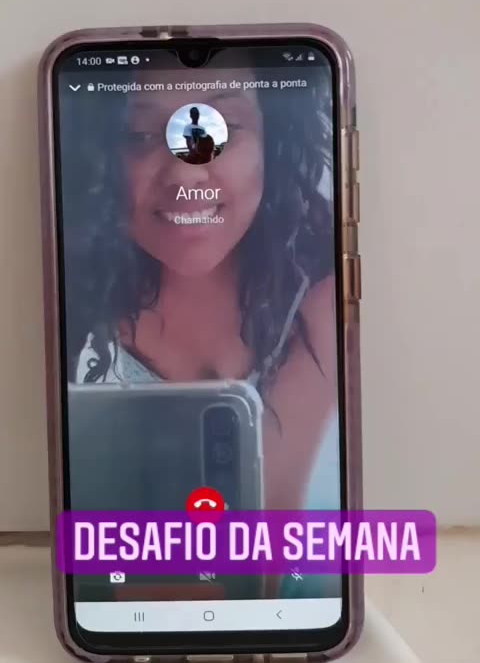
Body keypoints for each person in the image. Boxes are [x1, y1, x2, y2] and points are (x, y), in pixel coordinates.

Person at [63, 74, 336, 520]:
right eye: (140, 135)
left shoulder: (319, 299)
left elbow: (266, 537)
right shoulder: (65, 293)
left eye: (220, 130)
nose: (187, 174)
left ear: (273, 140)